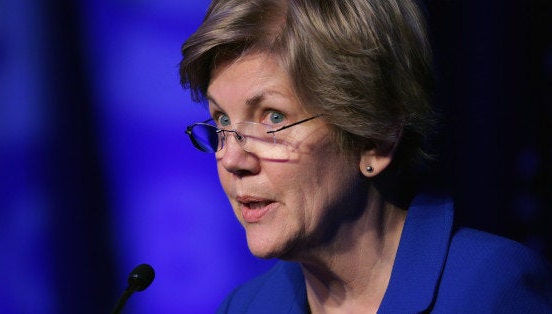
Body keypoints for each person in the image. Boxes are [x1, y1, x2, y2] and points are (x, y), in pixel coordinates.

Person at [179, 0, 551, 312]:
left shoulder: (490, 289)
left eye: (274, 118)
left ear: (376, 136)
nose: (231, 159)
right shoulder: (245, 307)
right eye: (222, 120)